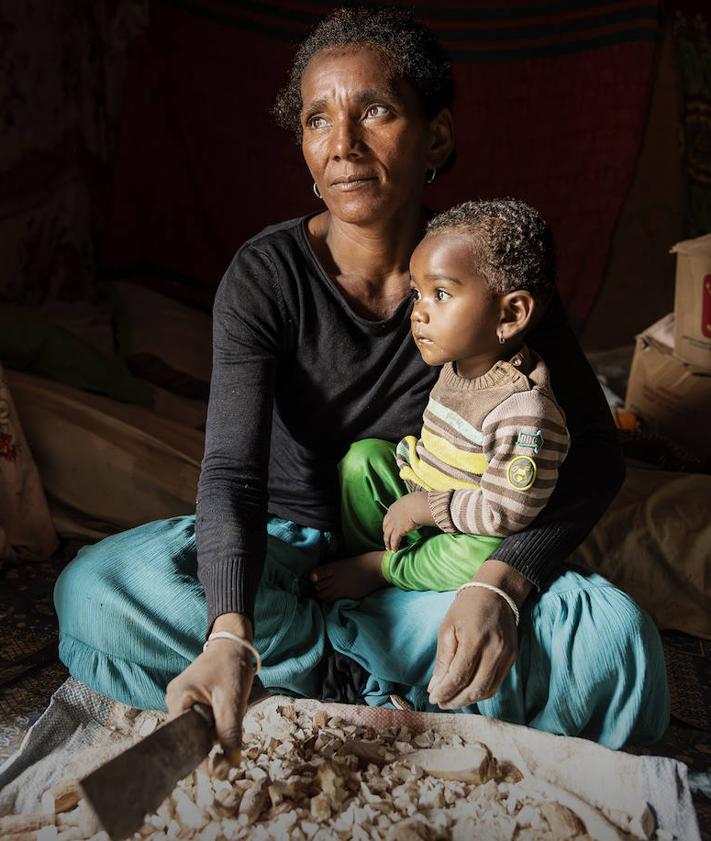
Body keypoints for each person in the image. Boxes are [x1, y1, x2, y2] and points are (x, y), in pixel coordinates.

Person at [54, 7, 669, 764]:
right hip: (284, 559)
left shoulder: (490, 275)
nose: (342, 144)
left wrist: (501, 586)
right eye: (317, 120)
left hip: (431, 566)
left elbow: (596, 454)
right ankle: (354, 676)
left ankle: (334, 676)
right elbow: (231, 475)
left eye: (374, 111)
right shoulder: (264, 276)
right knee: (99, 589)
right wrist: (229, 629)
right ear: (304, 149)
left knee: (614, 645)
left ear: (435, 136)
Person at [311, 198, 571, 603]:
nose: (418, 313)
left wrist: (427, 510)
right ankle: (369, 556)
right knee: (362, 459)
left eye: (441, 294)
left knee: (485, 553)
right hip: (427, 496)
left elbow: (506, 513)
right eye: (417, 294)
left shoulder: (524, 410)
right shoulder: (455, 367)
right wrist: (414, 497)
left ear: (510, 315)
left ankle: (382, 569)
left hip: (471, 526)